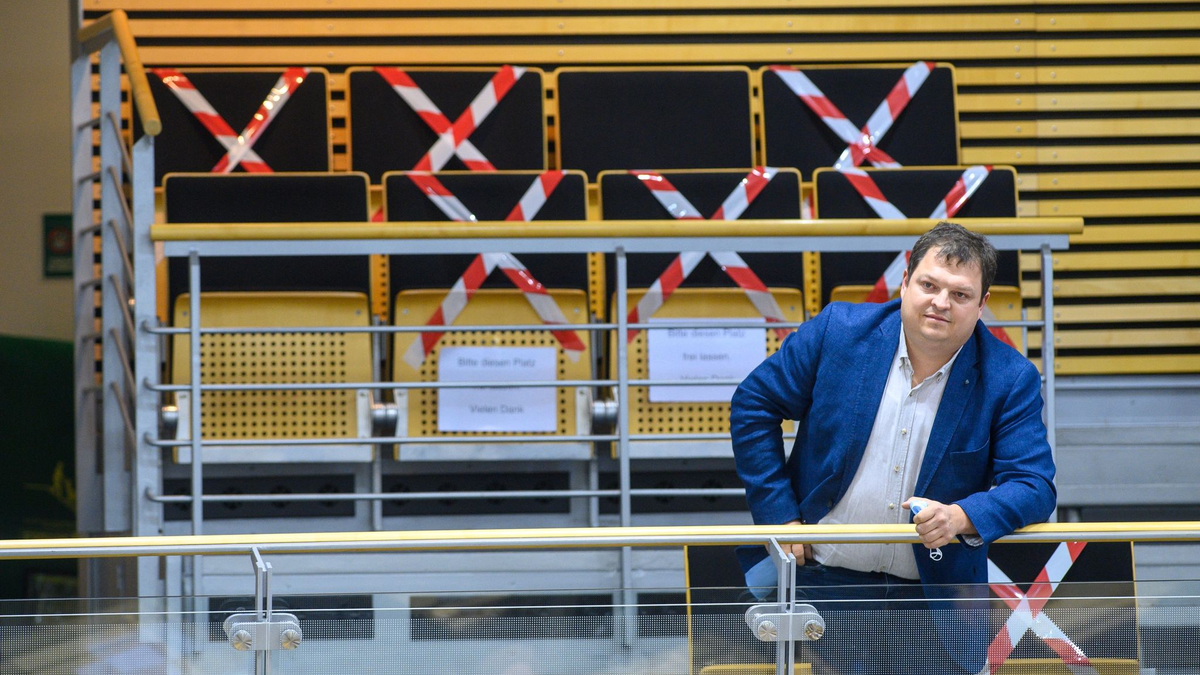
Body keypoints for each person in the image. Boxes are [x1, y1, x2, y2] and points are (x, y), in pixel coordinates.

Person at [730, 221, 1057, 674]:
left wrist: (963, 517)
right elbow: (753, 405)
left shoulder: (1009, 378)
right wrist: (778, 513)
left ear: (982, 305)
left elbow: (1034, 485)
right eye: (929, 285)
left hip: (934, 599)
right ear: (905, 283)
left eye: (960, 295)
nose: (941, 303)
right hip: (824, 585)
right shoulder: (838, 332)